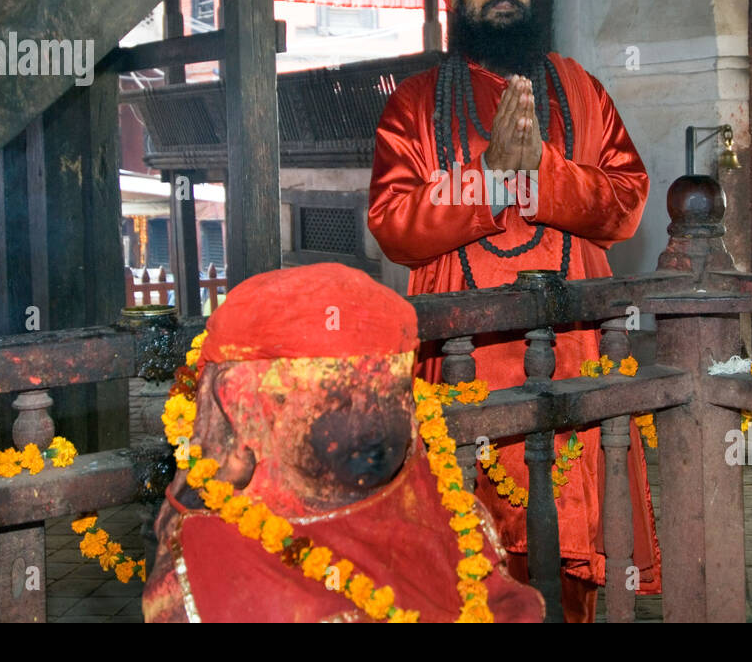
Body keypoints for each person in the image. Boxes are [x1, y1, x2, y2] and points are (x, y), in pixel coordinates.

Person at [367, 0, 660, 622]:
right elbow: (393, 225)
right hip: (463, 374)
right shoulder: (414, 105)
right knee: (466, 575)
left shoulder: (582, 90)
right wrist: (490, 179)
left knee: (575, 565)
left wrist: (543, 176)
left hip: (574, 363)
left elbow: (627, 202)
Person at [143, 262, 544, 623]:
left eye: (392, 393)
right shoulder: (209, 564)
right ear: (245, 404)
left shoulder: (443, 508)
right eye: (340, 398)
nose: (375, 423)